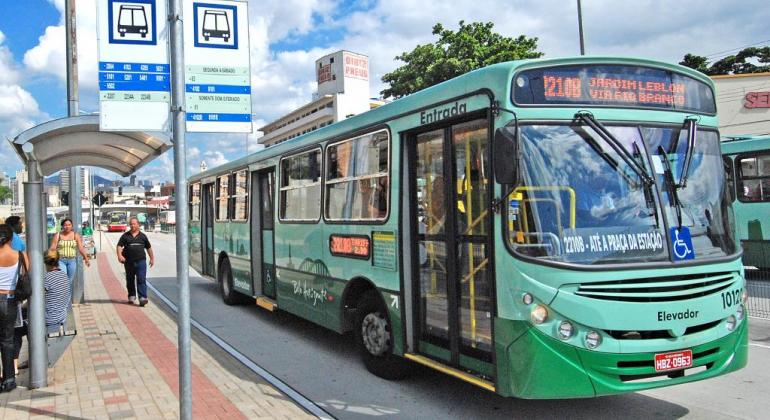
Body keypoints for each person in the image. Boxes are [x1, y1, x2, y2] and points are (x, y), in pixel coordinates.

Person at [0, 224, 29, 392]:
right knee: (7, 340)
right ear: (11, 238)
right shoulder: (20, 255)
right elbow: (26, 273)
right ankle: (9, 379)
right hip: (10, 301)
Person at [116, 217, 154, 306]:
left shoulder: (143, 236)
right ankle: (132, 296)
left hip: (141, 261)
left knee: (141, 279)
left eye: (134, 224)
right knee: (130, 280)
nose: (132, 226)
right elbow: (119, 246)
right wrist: (120, 256)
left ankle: (142, 298)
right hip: (128, 262)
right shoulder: (125, 236)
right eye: (131, 224)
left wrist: (152, 258)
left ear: (138, 225)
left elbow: (149, 248)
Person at [49, 218, 91, 287]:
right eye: (65, 225)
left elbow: (81, 248)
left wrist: (86, 258)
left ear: (72, 226)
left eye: (69, 225)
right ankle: (62, 296)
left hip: (72, 261)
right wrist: (50, 261)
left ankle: (67, 297)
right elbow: (52, 248)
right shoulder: (58, 235)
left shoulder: (75, 235)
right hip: (60, 261)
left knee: (69, 282)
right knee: (63, 280)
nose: (67, 226)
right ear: (62, 226)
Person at [43, 250, 70, 335]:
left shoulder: (47, 278)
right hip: (62, 316)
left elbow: (37, 297)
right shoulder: (64, 275)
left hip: (49, 318)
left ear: (45, 262)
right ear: (58, 260)